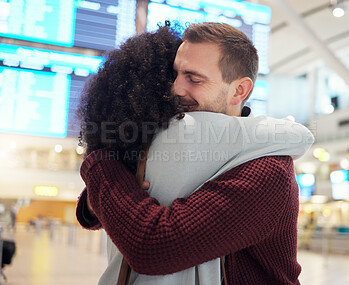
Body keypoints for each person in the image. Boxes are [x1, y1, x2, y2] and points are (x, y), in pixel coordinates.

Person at [77, 22, 314, 284]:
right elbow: (104, 211)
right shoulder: (179, 136)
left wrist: (98, 164)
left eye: (194, 78)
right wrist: (93, 201)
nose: (176, 88)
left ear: (239, 90)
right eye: (175, 74)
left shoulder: (267, 169)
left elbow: (155, 247)